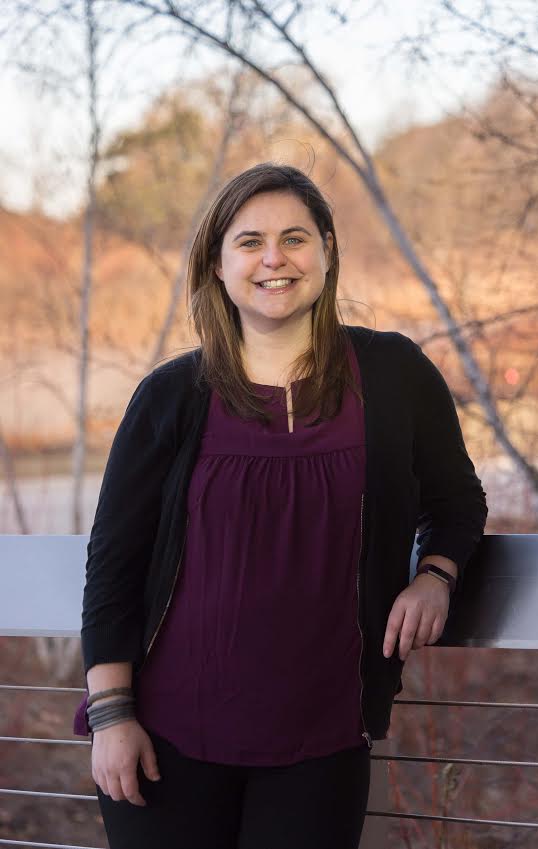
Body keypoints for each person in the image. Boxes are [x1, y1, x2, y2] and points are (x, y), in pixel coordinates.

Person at [73, 162, 488, 849]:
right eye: (249, 241)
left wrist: (434, 574)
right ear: (216, 263)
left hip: (321, 743)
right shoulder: (172, 396)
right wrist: (113, 716)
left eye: (296, 238)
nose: (274, 258)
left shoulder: (392, 375)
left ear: (326, 253)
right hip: (166, 742)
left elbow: (455, 498)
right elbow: (113, 567)